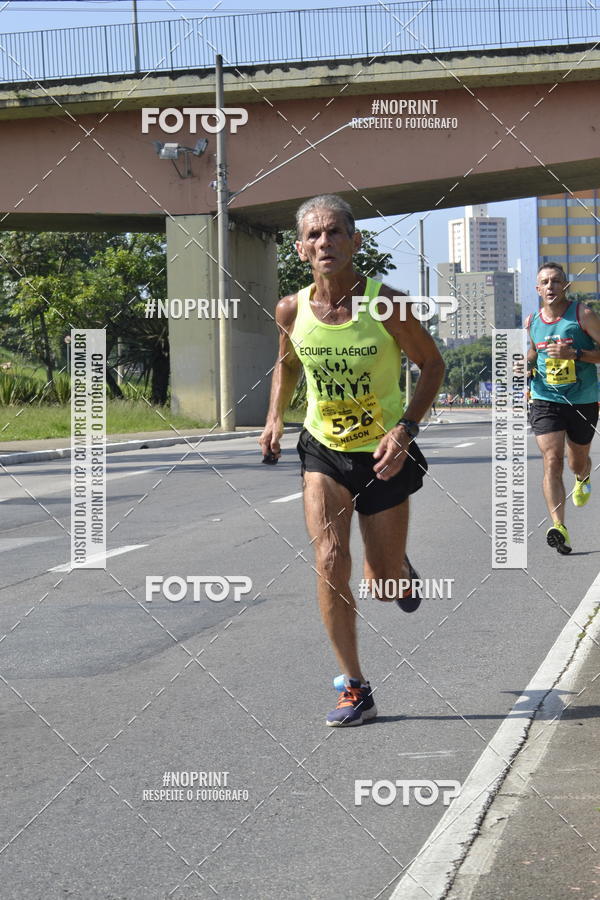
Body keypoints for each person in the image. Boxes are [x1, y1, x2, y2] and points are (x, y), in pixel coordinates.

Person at [259, 194, 445, 726]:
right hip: (323, 449)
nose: (325, 242)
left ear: (355, 242)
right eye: (314, 235)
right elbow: (287, 364)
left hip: (384, 452)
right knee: (328, 559)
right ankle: (355, 686)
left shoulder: (385, 305)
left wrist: (406, 428)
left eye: (335, 232)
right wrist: (275, 417)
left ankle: (399, 570)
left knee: (382, 580)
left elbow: (432, 365)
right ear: (300, 249)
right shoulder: (291, 309)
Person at [526, 262, 600, 554]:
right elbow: (534, 348)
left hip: (582, 399)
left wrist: (576, 353)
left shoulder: (583, 315)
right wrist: (527, 362)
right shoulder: (532, 320)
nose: (550, 287)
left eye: (556, 282)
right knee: (552, 459)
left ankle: (583, 476)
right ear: (537, 289)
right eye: (544, 282)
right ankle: (559, 527)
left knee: (575, 461)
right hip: (545, 398)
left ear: (565, 286)